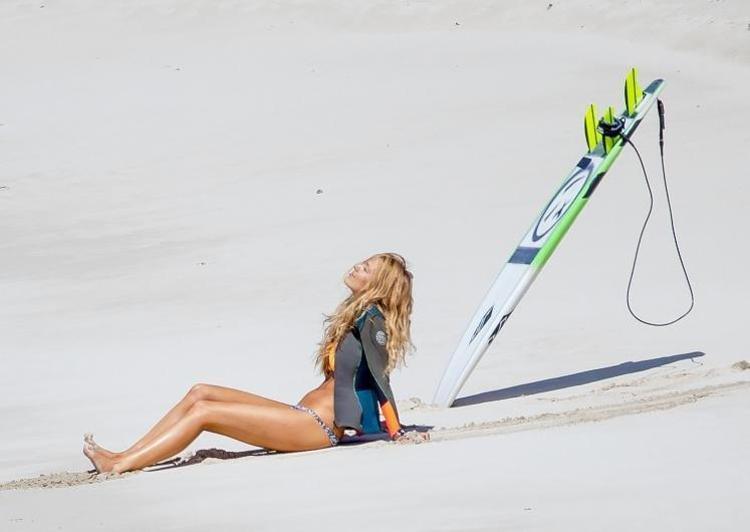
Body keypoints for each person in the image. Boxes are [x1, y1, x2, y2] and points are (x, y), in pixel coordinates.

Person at [83, 252, 426, 474]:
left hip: (318, 427)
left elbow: (380, 379)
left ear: (377, 285)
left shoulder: (373, 322)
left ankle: (120, 466)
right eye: (362, 262)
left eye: (365, 269)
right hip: (302, 414)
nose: (356, 266)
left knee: (205, 414)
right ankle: (123, 455)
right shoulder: (355, 315)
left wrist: (396, 431)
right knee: (200, 392)